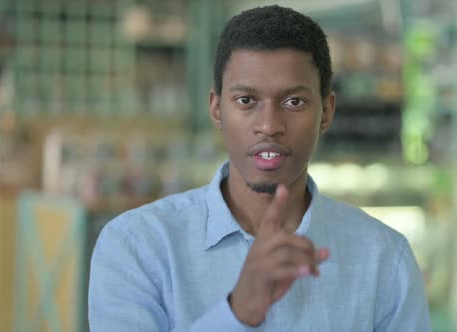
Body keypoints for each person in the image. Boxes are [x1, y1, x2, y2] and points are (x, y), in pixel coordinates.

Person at [88, 5, 431, 332]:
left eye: (293, 102)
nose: (269, 125)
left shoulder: (385, 258)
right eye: (246, 100)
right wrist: (238, 313)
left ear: (326, 112)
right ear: (216, 109)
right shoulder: (138, 246)